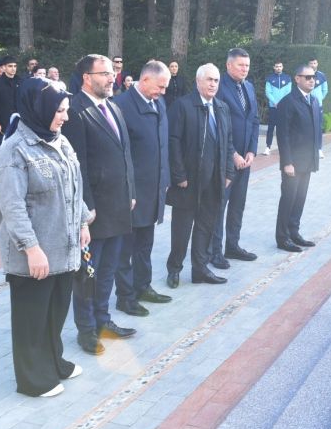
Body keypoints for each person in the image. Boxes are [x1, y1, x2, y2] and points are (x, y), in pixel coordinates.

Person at [0, 78, 89, 398]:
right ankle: (33, 379)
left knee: (55, 311)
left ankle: (54, 361)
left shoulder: (60, 140)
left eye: (66, 110)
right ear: (40, 108)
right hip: (34, 252)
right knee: (32, 317)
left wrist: (83, 221)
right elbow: (13, 206)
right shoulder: (14, 151)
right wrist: (31, 248)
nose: (65, 117)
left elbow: (73, 184)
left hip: (63, 246)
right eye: (60, 110)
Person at [62, 54, 136, 355]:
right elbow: (77, 166)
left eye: (112, 73)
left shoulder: (114, 107)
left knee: (108, 271)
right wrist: (85, 209)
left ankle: (104, 320)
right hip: (93, 212)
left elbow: (124, 154)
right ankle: (87, 330)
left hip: (118, 206)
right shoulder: (76, 112)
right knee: (88, 275)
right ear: (86, 78)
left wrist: (130, 190)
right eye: (104, 73)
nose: (111, 78)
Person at [166, 63, 235, 288]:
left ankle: (200, 269)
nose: (213, 84)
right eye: (209, 80)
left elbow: (228, 142)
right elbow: (173, 141)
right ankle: (174, 269)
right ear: (198, 82)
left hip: (215, 181)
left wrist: (228, 172)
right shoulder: (183, 106)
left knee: (206, 226)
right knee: (182, 229)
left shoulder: (222, 108)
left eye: (216, 80)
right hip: (188, 181)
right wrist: (179, 175)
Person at [114, 61, 172, 317]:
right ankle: (125, 297)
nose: (163, 91)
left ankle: (143, 286)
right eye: (160, 86)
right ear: (145, 80)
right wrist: (128, 191)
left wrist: (166, 177)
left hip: (154, 187)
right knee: (125, 249)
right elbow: (119, 154)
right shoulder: (122, 107)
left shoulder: (157, 102)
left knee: (145, 243)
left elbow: (162, 145)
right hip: (132, 193)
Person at [211, 48, 259, 266]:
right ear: (229, 65)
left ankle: (233, 246)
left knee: (238, 204)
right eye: (241, 65)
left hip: (245, 160)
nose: (245, 69)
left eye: (247, 66)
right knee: (219, 206)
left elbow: (254, 121)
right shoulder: (218, 87)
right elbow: (218, 126)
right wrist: (233, 154)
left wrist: (251, 151)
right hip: (225, 160)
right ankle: (214, 252)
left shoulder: (248, 87)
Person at [275, 64, 322, 253]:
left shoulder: (314, 100)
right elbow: (283, 134)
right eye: (308, 77)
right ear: (297, 79)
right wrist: (287, 162)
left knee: (300, 198)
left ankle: (294, 232)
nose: (312, 80)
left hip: (308, 160)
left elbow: (316, 131)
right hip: (293, 163)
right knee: (289, 198)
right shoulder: (288, 102)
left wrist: (316, 154)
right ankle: (282, 237)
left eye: (314, 77)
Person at [0, 56, 21, 149]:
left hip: (19, 120)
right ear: (4, 67)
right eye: (10, 66)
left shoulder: (20, 81)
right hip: (3, 121)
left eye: (15, 66)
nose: (13, 69)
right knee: (3, 146)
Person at [263, 60, 291, 155]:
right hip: (273, 108)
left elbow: (288, 92)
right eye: (277, 66)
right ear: (274, 67)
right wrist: (275, 102)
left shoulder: (287, 78)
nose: (278, 68)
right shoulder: (269, 79)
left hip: (283, 108)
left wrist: (282, 104)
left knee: (283, 128)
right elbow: (268, 92)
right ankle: (268, 147)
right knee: (271, 128)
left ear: (282, 67)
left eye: (280, 66)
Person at [307, 58, 328, 157]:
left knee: (318, 128)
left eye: (314, 63)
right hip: (306, 106)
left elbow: (325, 90)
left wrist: (319, 100)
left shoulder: (322, 76)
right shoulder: (304, 75)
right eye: (311, 63)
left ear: (317, 64)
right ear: (308, 64)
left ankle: (319, 149)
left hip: (318, 106)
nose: (313, 65)